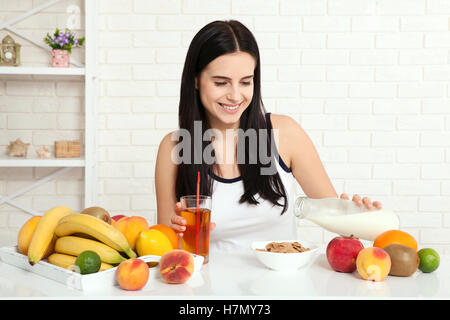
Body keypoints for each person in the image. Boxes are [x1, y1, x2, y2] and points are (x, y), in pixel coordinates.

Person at [155, 20, 382, 253]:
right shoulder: (175, 148)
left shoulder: (285, 134)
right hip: (208, 286)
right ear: (195, 79)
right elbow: (167, 249)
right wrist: (177, 233)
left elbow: (334, 215)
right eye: (221, 82)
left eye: (245, 82)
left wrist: (358, 215)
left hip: (281, 285)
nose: (235, 95)